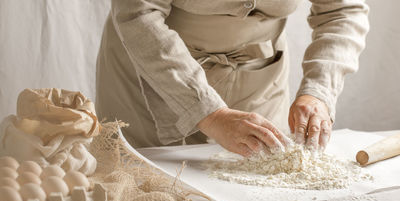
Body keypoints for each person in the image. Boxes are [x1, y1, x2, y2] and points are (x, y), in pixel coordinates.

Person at [96, 0, 369, 157]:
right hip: (154, 79)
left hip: (259, 79)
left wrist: (318, 90)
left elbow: (342, 10)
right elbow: (137, 14)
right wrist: (209, 113)